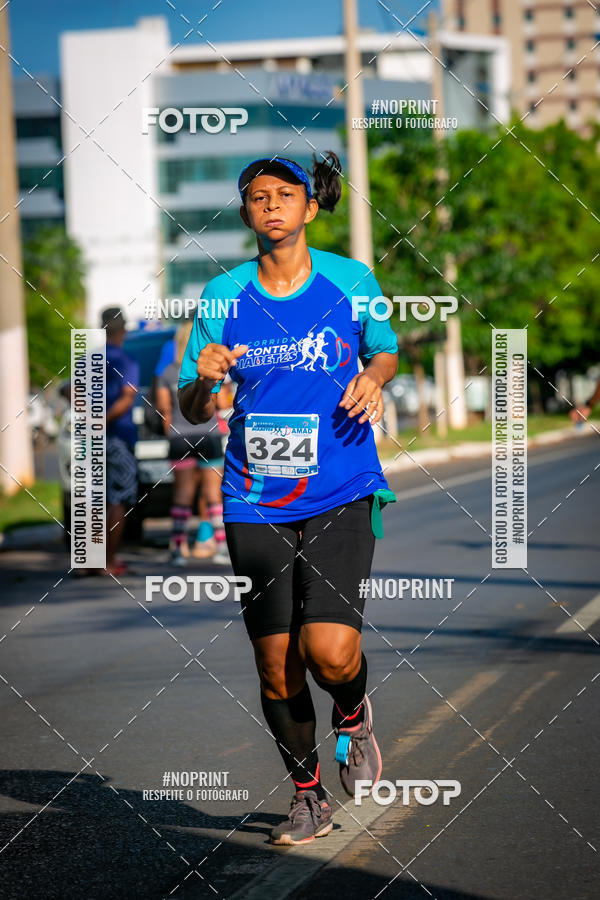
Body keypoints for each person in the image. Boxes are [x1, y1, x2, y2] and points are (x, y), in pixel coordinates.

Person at [178, 154, 398, 844]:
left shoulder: (351, 280)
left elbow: (385, 347)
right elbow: (191, 404)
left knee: (329, 651)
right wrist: (202, 378)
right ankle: (306, 796)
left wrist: (375, 374)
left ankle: (354, 714)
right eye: (256, 197)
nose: (270, 205)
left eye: (284, 194)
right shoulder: (222, 297)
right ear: (245, 215)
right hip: (253, 496)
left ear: (309, 206)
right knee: (276, 662)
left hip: (340, 485)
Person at [156, 321, 229, 565]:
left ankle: (178, 549)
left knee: (183, 495)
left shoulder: (167, 372)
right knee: (213, 495)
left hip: (179, 437)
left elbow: (164, 410)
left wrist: (172, 434)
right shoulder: (207, 370)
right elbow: (220, 405)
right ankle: (220, 548)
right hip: (209, 435)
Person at [103, 306, 139, 576]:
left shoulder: (88, 360)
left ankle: (88, 564)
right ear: (123, 330)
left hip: (90, 440)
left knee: (94, 498)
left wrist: (89, 420)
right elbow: (127, 397)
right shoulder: (127, 361)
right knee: (116, 499)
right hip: (117, 438)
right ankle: (109, 561)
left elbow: (70, 390)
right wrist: (104, 420)